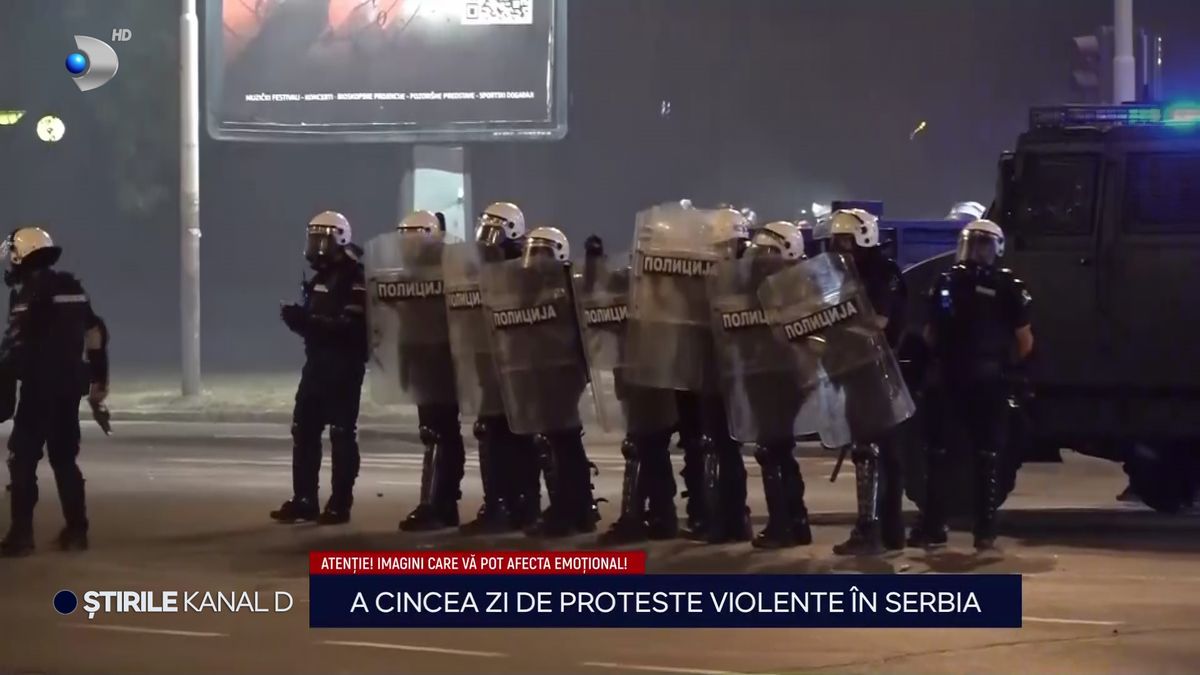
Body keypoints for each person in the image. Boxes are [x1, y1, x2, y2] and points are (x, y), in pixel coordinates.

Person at [909, 219, 1033, 551]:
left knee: (941, 453)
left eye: (981, 245)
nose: (977, 252)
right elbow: (1025, 341)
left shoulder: (946, 281)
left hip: (952, 376)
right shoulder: (1008, 285)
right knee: (984, 454)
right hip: (986, 378)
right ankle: (984, 529)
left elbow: (930, 333)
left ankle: (935, 525)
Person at [0, 226, 108, 557]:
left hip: (38, 388)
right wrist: (99, 380)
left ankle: (21, 536)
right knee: (64, 459)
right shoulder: (72, 288)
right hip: (69, 389)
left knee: (22, 459)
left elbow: (13, 350)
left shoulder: (28, 296)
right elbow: (95, 332)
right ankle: (77, 531)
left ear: (22, 256)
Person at [486, 226, 601, 536]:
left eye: (542, 252)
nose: (535, 259)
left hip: (563, 373)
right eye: (531, 251)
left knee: (564, 443)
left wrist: (593, 263)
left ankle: (568, 510)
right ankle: (577, 509)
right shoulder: (528, 287)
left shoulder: (566, 284)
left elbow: (590, 298)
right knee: (561, 443)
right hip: (539, 371)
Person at [366, 210, 465, 532]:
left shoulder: (450, 271)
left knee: (443, 434)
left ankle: (441, 502)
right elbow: (406, 325)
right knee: (432, 434)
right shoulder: (407, 276)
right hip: (422, 362)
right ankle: (435, 502)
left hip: (444, 362)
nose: (408, 245)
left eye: (414, 238)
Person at [271, 211, 367, 525]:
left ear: (341, 239)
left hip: (344, 365)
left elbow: (351, 327)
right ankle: (305, 499)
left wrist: (308, 321)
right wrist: (298, 320)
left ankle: (339, 504)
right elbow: (318, 325)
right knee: (304, 429)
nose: (317, 247)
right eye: (313, 239)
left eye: (322, 240)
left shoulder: (355, 277)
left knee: (341, 433)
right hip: (316, 363)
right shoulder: (320, 279)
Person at [823, 208, 908, 556]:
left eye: (847, 241)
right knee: (878, 452)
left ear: (865, 239)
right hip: (855, 369)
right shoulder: (844, 274)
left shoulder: (882, 272)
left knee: (871, 452)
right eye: (837, 241)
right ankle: (888, 531)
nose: (840, 248)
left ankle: (872, 530)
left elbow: (878, 322)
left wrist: (832, 325)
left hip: (876, 370)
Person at [724, 220, 814, 548]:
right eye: (760, 253)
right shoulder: (757, 287)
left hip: (783, 374)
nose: (763, 260)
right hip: (761, 373)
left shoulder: (797, 287)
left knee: (772, 449)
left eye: (770, 253)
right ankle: (796, 521)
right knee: (779, 449)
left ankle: (782, 525)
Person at [456, 202, 542, 534]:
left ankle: (519, 505)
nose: (486, 241)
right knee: (494, 434)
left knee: (516, 437)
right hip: (492, 363)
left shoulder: (526, 268)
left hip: (519, 365)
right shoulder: (484, 269)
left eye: (494, 232)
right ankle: (502, 504)